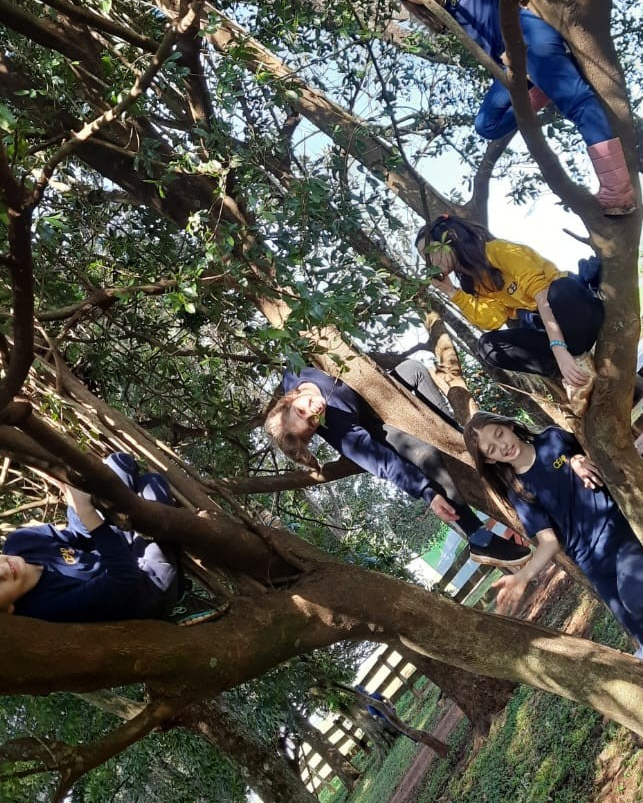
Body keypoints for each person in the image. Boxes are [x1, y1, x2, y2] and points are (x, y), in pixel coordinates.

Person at [389, 0, 636, 215]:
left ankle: (618, 191)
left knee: (577, 103)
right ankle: (543, 88)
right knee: (487, 125)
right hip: (514, 66)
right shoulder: (446, 11)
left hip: (531, 41)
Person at [264, 355, 530, 569]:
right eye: (312, 423)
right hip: (376, 426)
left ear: (290, 398)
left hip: (376, 392)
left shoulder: (295, 367)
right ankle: (478, 537)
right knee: (426, 454)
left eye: (302, 410)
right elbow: (381, 461)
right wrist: (427, 493)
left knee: (413, 369)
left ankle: (458, 437)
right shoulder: (337, 429)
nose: (313, 412)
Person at [0, 451, 218, 624]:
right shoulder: (46, 610)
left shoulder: (20, 542)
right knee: (153, 486)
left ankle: (145, 524)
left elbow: (79, 538)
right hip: (147, 584)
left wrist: (76, 497)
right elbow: (125, 580)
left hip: (114, 547)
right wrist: (86, 510)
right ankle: (179, 594)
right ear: (6, 610)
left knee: (118, 464)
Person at [463, 410, 643, 657]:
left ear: (509, 426)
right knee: (638, 632)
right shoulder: (518, 491)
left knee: (636, 596)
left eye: (499, 434)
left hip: (618, 535)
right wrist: (523, 576)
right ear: (490, 460)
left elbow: (599, 453)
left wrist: (578, 458)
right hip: (593, 566)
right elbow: (548, 541)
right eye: (491, 449)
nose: (502, 446)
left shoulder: (553, 439)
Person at [416, 213, 603, 410]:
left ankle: (572, 358)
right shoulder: (474, 283)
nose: (429, 263)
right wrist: (451, 292)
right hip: (553, 333)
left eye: (430, 253)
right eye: (424, 259)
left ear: (450, 237)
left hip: (575, 314)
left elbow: (542, 296)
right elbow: (492, 320)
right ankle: (572, 372)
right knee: (488, 346)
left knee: (561, 289)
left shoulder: (499, 251)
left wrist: (558, 348)